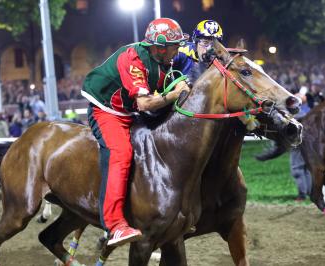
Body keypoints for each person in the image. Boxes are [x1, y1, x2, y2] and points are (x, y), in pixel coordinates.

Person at [81, 18, 190, 246]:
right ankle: (114, 224)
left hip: (128, 112)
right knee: (120, 153)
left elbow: (184, 68)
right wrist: (174, 94)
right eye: (175, 46)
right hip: (107, 111)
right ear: (160, 47)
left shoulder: (163, 58)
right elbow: (144, 104)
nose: (178, 50)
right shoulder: (133, 58)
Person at [173, 19, 223, 84]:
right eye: (205, 42)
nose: (209, 49)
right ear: (195, 42)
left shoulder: (221, 61)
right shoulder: (181, 51)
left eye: (214, 44)